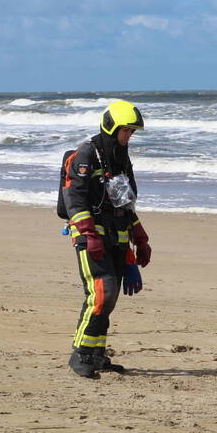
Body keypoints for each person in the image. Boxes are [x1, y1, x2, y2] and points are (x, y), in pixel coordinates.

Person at [61, 100, 152, 379]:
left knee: (109, 299)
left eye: (132, 132)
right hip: (90, 238)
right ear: (112, 127)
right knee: (102, 294)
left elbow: (125, 204)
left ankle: (97, 354)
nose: (129, 137)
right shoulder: (86, 155)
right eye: (126, 131)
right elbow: (74, 199)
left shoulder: (121, 158)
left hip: (117, 237)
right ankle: (80, 354)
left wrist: (140, 237)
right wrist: (89, 234)